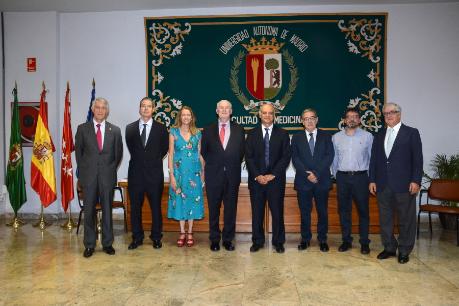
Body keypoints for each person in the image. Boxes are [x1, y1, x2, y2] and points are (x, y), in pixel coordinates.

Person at [369, 102, 423, 264]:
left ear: (399, 114)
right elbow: (374, 160)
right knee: (385, 219)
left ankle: (405, 250)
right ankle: (389, 248)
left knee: (406, 219)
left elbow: (418, 160)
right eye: (386, 113)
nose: (389, 115)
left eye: (392, 112)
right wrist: (372, 179)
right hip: (382, 184)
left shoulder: (411, 133)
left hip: (404, 185)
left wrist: (416, 180)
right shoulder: (379, 135)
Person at [75, 97, 123, 258]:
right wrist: (84, 173)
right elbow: (79, 155)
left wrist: (108, 169)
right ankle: (89, 244)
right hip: (88, 178)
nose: (100, 110)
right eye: (98, 107)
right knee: (89, 211)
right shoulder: (82, 129)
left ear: (107, 111)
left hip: (107, 177)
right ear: (93, 109)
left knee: (107, 210)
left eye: (103, 108)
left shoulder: (115, 130)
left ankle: (107, 243)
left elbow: (118, 155)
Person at [245, 103, 291, 253]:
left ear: (274, 115)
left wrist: (272, 174)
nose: (267, 115)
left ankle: (278, 242)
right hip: (257, 181)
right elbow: (249, 157)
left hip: (275, 181)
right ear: (259, 114)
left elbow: (285, 157)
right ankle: (257, 241)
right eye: (264, 113)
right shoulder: (251, 134)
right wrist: (258, 175)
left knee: (277, 212)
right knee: (257, 212)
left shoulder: (283, 134)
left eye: (270, 113)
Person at [125, 97, 169, 250]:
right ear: (139, 109)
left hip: (154, 175)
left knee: (156, 207)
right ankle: (137, 237)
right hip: (136, 175)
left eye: (149, 106)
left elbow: (164, 150)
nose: (145, 109)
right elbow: (133, 149)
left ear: (153, 109)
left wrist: (152, 160)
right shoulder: (129, 128)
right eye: (143, 106)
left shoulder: (161, 128)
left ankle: (156, 237)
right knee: (135, 208)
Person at [201, 100, 245, 252]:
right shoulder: (207, 130)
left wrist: (229, 164)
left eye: (227, 108)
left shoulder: (240, 130)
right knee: (214, 209)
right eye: (221, 108)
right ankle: (214, 239)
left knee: (230, 209)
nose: (224, 110)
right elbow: (204, 152)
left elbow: (240, 153)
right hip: (213, 176)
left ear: (231, 111)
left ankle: (227, 239)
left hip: (232, 176)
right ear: (217, 110)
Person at [291, 108, 334, 252]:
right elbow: (295, 158)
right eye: (306, 118)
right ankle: (305, 239)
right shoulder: (296, 137)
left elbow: (329, 156)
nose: (309, 121)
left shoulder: (326, 136)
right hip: (303, 181)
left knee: (322, 212)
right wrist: (307, 174)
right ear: (302, 121)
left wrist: (316, 173)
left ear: (316, 120)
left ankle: (322, 240)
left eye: (312, 118)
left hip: (322, 180)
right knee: (305, 212)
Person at [331, 108, 373, 254]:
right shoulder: (336, 137)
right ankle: (346, 241)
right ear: (344, 120)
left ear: (359, 120)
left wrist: (371, 178)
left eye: (355, 117)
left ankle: (364, 242)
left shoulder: (368, 137)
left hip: (361, 178)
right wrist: (336, 175)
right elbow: (334, 159)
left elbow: (372, 159)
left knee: (363, 211)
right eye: (349, 117)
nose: (352, 119)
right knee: (344, 211)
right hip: (342, 177)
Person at [167, 106, 205, 247]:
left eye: (188, 115)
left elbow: (199, 154)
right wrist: (171, 175)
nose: (186, 117)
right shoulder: (173, 132)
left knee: (192, 202)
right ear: (180, 117)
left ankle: (190, 232)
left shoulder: (197, 133)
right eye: (183, 115)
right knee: (180, 202)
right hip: (179, 174)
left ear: (191, 117)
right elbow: (170, 155)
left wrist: (203, 174)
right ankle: (182, 232)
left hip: (194, 174)